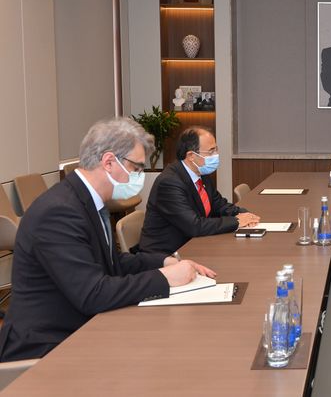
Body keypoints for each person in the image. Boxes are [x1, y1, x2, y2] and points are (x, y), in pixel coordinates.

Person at [0, 117, 215, 362]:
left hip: (79, 331)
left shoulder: (87, 200)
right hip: (46, 348)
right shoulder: (59, 211)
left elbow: (112, 263)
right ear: (109, 162)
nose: (139, 176)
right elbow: (93, 293)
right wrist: (164, 278)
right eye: (136, 168)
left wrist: (165, 262)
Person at [138, 127, 260, 254]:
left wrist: (244, 214)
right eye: (211, 151)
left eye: (216, 149)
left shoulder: (201, 174)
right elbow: (194, 226)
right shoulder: (169, 183)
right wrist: (236, 221)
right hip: (167, 253)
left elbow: (219, 205)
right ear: (191, 156)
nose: (216, 155)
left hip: (193, 243)